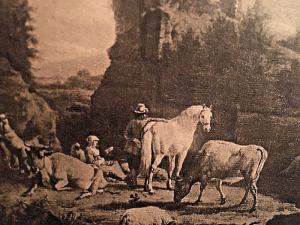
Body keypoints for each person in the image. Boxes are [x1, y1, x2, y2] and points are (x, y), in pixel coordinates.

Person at [124, 103, 168, 188]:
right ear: (137, 114)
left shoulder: (147, 121)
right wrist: (133, 139)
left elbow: (155, 119)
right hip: (132, 147)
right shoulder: (132, 123)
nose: (143, 116)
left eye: (144, 114)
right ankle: (134, 181)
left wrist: (164, 120)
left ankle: (144, 182)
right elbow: (126, 134)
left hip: (144, 147)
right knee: (133, 165)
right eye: (141, 114)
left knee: (144, 163)